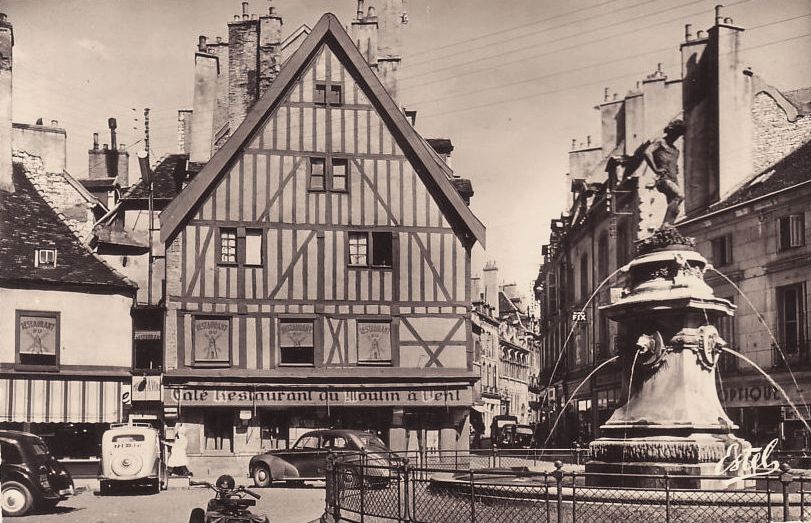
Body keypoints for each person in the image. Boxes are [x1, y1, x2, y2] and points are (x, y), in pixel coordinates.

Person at [643, 119, 686, 227]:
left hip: (673, 178)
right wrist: (656, 169)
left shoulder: (676, 150)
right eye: (676, 133)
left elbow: (673, 164)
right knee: (679, 195)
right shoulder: (660, 142)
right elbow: (647, 152)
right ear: (670, 131)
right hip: (663, 178)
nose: (676, 137)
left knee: (675, 207)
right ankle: (665, 226)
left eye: (679, 135)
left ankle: (669, 228)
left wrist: (675, 168)